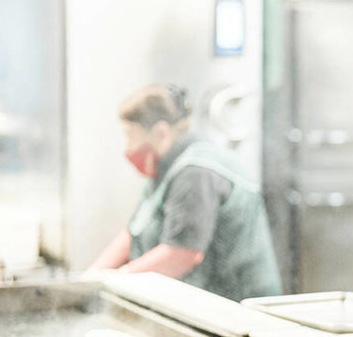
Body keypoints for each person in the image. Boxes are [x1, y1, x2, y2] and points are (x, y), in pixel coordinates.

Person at [89, 83, 282, 301]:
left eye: (131, 136)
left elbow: (181, 254)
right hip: (203, 301)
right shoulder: (165, 167)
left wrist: (112, 284)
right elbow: (133, 233)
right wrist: (92, 279)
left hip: (238, 305)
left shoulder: (196, 172)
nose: (128, 147)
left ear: (161, 132)